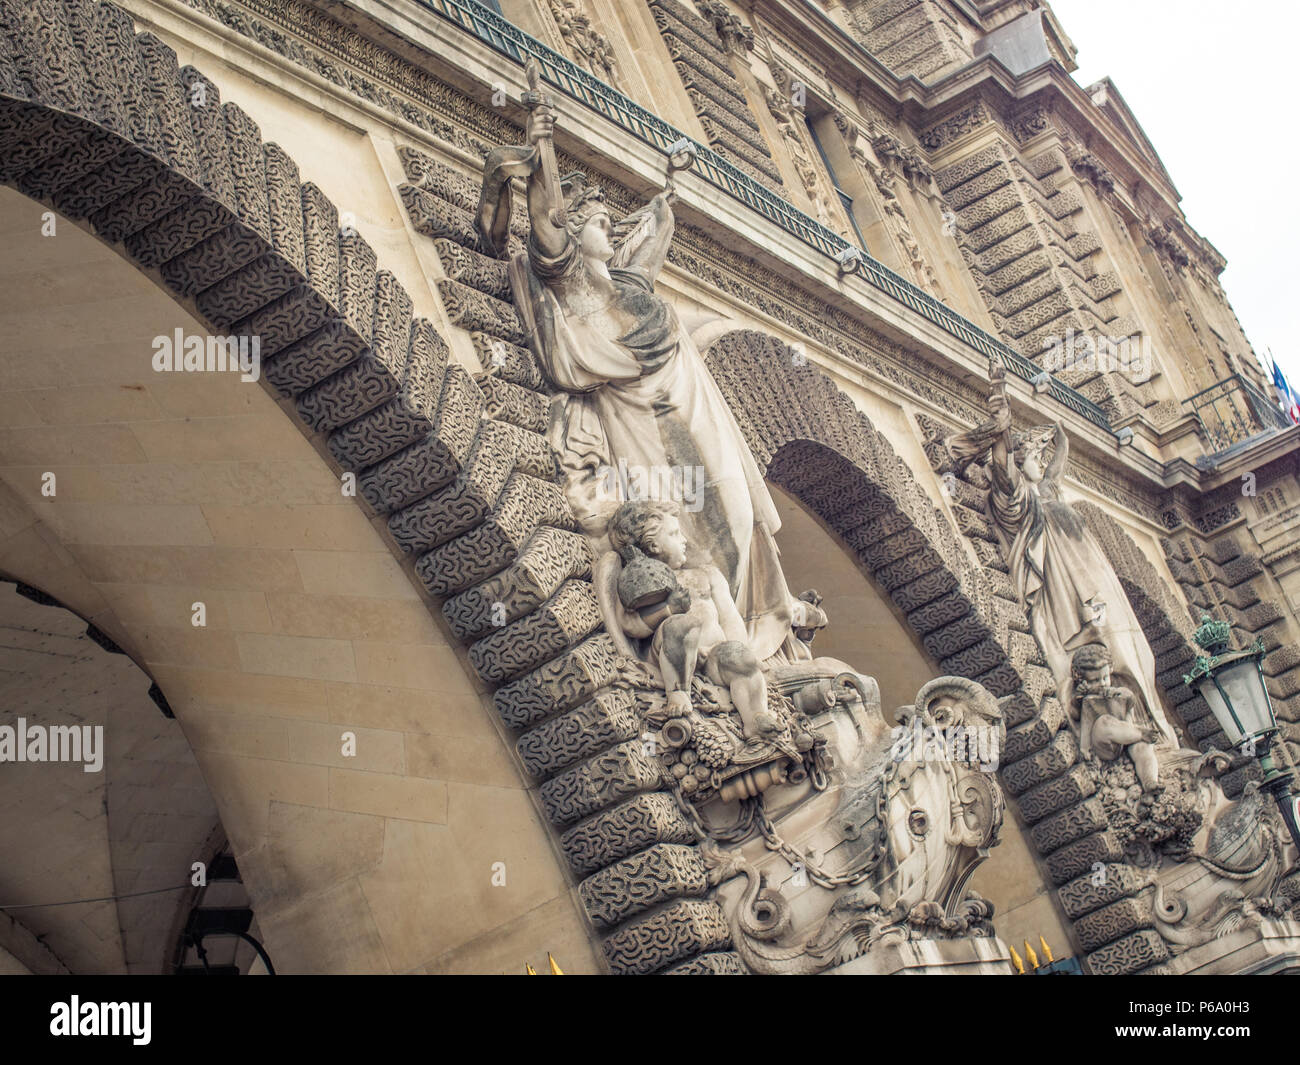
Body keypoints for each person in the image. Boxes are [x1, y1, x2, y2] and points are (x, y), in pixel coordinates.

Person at [477, 98, 794, 662]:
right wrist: (541, 145)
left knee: (738, 514)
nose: (609, 227)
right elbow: (547, 228)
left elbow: (646, 252)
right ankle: (725, 646)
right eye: (598, 222)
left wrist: (663, 213)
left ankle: (753, 636)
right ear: (575, 232)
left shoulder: (626, 283)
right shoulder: (572, 281)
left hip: (694, 410)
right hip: (644, 420)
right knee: (694, 524)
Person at [984, 362, 1174, 743]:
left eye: (1041, 456)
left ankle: (1151, 723)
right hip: (1065, 594)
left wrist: (1059, 432)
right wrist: (1000, 414)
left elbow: (1058, 463)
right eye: (1034, 457)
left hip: (1094, 583)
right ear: (1022, 464)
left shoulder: (1051, 492)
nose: (1041, 461)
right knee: (1101, 639)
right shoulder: (1020, 500)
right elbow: (1003, 469)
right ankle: (1123, 726)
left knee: (1132, 650)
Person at [603, 500, 780, 740]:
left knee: (737, 654)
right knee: (681, 624)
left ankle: (756, 718)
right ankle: (678, 693)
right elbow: (630, 626)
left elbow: (730, 619)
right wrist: (668, 609)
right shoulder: (641, 583)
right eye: (675, 534)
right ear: (653, 545)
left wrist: (741, 649)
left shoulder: (707, 574)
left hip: (714, 658)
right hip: (670, 658)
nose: (683, 539)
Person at [1071, 644, 1162, 790]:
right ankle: (1140, 733)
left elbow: (1130, 698)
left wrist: (1117, 693)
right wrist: (1079, 699)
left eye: (1105, 677)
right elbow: (1078, 717)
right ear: (1081, 680)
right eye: (1094, 680)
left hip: (1128, 740)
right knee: (1104, 722)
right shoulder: (1086, 699)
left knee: (1144, 749)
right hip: (1105, 746)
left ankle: (1150, 782)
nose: (1102, 683)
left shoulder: (1118, 691)